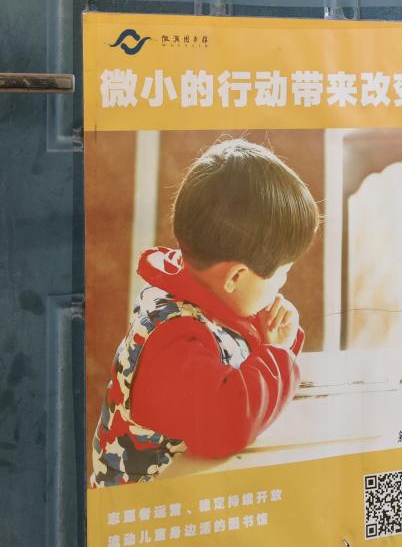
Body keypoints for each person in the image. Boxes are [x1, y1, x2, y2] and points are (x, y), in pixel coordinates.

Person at [90, 138, 320, 486]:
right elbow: (229, 425)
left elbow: (238, 361)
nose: (283, 283)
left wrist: (270, 339)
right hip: (148, 509)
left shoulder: (200, 289)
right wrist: (276, 352)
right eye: (282, 272)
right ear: (236, 277)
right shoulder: (173, 342)